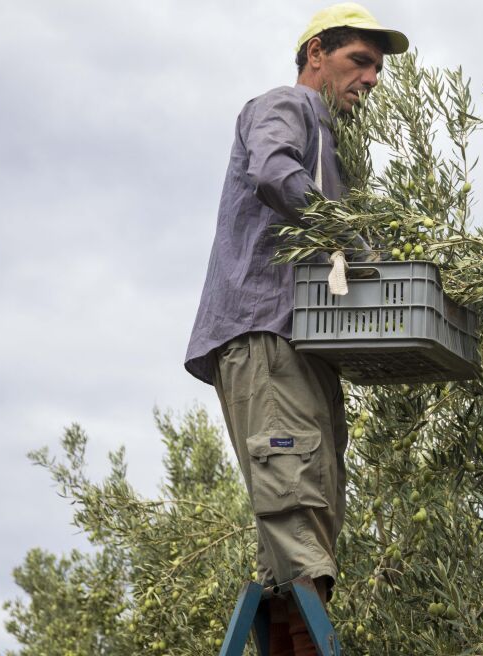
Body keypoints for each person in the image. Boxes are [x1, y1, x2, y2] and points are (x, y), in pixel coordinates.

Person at [184, 4, 407, 653]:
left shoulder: (330, 144)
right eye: (358, 61)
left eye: (376, 68)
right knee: (296, 506)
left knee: (314, 515)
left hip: (303, 343)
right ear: (316, 54)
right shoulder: (286, 105)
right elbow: (273, 169)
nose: (370, 78)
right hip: (264, 330)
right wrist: (348, 238)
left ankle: (287, 636)